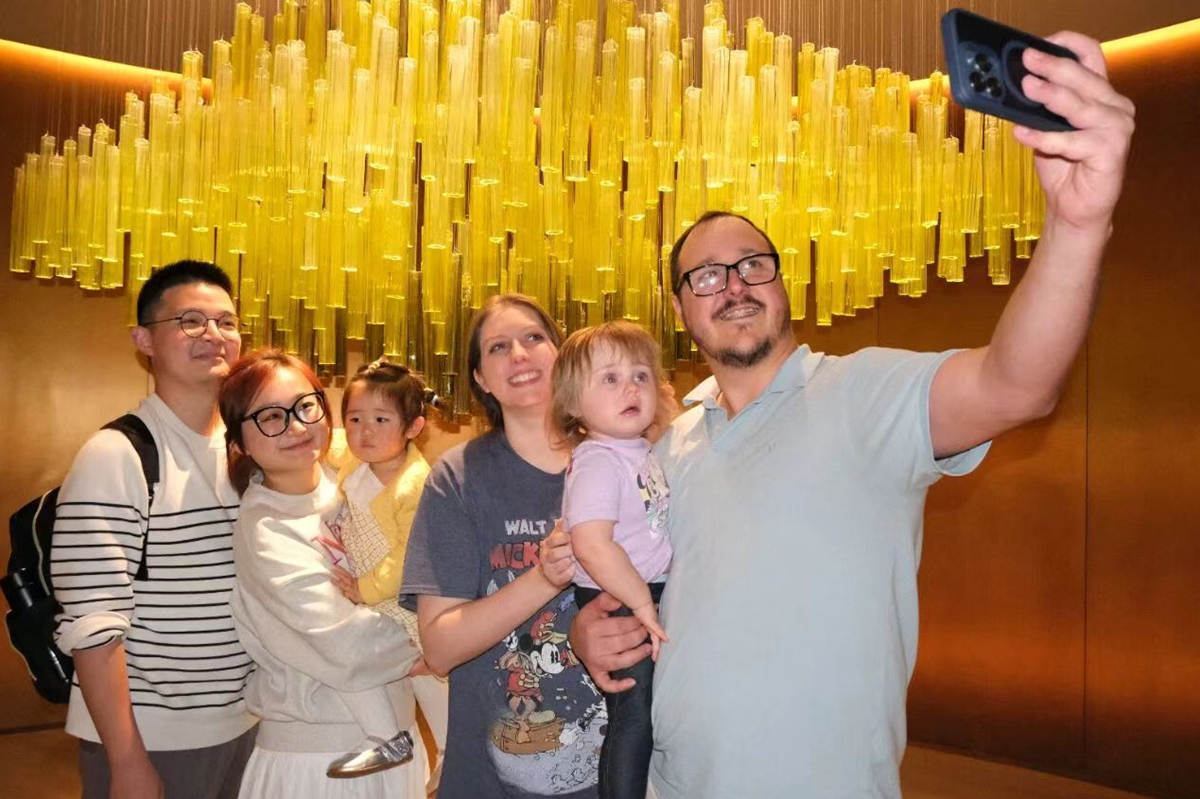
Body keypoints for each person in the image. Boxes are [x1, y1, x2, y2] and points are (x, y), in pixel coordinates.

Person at [570, 33, 1135, 799]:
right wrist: (591, 632)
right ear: (680, 310)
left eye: (752, 265)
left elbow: (1016, 384)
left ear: (782, 286)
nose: (733, 283)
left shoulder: (865, 396)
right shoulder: (668, 445)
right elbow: (642, 585)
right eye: (706, 275)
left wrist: (1077, 225)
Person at [50, 260, 257, 799]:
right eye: (191, 321)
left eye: (227, 322)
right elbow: (93, 624)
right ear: (144, 339)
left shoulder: (251, 449)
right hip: (153, 735)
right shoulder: (116, 455)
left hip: (248, 723)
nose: (214, 336)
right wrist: (127, 761)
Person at [399, 294, 600, 799]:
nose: (519, 354)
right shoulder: (459, 478)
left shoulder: (619, 461)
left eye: (534, 338)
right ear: (482, 379)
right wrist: (544, 578)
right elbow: (440, 647)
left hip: (617, 769)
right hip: (491, 780)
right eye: (498, 347)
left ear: (562, 354)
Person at [219, 349, 425, 798]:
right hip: (320, 759)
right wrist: (440, 637)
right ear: (238, 442)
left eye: (305, 405)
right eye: (270, 417)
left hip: (401, 739)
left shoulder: (353, 476)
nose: (295, 426)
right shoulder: (267, 530)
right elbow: (347, 645)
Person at [551, 320, 674, 799]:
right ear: (573, 405)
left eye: (640, 376)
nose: (630, 387)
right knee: (635, 713)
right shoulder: (599, 460)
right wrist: (641, 602)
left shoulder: (640, 452)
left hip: (642, 590)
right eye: (609, 378)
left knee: (653, 711)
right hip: (618, 595)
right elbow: (592, 543)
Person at [324, 358, 449, 785]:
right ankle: (387, 732)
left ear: (413, 427)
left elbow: (407, 552)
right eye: (355, 419)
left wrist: (365, 588)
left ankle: (451, 747)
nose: (366, 431)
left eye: (381, 419)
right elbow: (326, 442)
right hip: (368, 591)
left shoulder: (416, 482)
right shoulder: (353, 462)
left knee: (427, 671)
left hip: (400, 595)